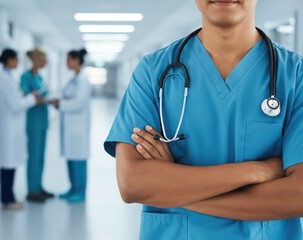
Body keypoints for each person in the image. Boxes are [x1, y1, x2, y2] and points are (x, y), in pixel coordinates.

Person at [104, 1, 303, 239]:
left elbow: (298, 195)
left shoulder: (295, 76)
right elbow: (133, 184)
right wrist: (256, 171)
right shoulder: (152, 72)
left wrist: (171, 190)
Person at [0, 49, 43, 210]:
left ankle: (8, 197)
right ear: (8, 60)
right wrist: (32, 98)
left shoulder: (8, 77)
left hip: (13, 127)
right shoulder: (3, 79)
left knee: (10, 163)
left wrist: (28, 97)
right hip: (9, 128)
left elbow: (17, 99)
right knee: (8, 164)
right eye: (16, 59)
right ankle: (8, 199)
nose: (18, 62)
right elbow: (15, 105)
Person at [50, 49, 91, 203]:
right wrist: (60, 102)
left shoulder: (83, 80)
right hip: (70, 126)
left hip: (78, 127)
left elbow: (79, 103)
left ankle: (80, 191)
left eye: (68, 60)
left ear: (76, 60)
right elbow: (67, 97)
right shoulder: (73, 78)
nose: (66, 63)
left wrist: (61, 103)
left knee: (78, 160)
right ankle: (72, 188)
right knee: (70, 158)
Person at [20, 48, 54, 203]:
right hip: (33, 122)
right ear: (35, 60)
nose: (45, 62)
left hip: (42, 120)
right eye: (43, 59)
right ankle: (32, 191)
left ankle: (39, 187)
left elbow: (41, 96)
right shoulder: (25, 77)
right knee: (33, 156)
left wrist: (42, 98)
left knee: (40, 157)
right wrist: (40, 98)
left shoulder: (39, 77)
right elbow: (27, 98)